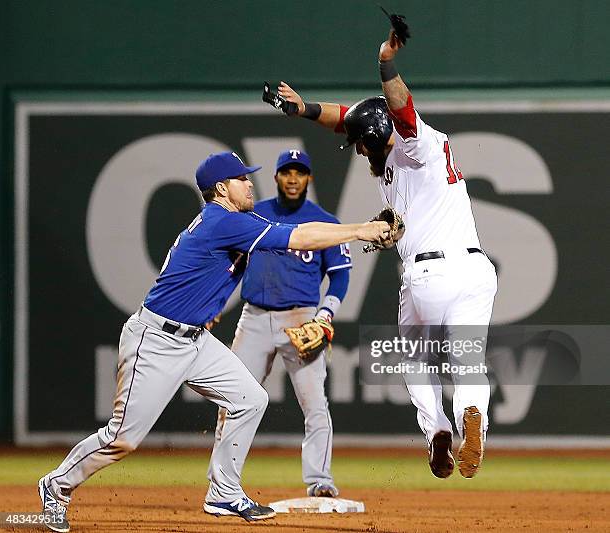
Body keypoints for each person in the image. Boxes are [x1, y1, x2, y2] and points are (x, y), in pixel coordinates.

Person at [37, 151, 391, 532]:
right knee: (123, 438)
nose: (250, 182)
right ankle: (56, 486)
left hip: (195, 340)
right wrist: (362, 230)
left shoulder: (239, 219)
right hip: (156, 340)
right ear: (222, 189)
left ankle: (223, 491)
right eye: (242, 179)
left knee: (250, 399)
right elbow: (299, 236)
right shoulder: (223, 221)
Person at [274, 25, 497, 479]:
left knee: (413, 355)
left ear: (372, 139)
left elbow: (401, 108)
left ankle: (435, 428)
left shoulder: (417, 146)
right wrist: (305, 110)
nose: (355, 148)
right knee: (468, 357)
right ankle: (470, 417)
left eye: (358, 143)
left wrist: (385, 64)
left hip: (429, 275)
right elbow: (352, 117)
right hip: (476, 270)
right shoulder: (398, 152)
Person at [214, 149, 350, 498]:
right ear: (275, 177)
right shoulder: (254, 215)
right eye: (286, 172)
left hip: (301, 317)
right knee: (233, 400)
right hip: (254, 317)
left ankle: (320, 480)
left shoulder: (325, 222)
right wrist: (215, 304)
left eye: (299, 173)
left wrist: (325, 315)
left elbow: (339, 277)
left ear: (308, 178)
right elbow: (232, 266)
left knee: (314, 403)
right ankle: (223, 484)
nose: (292, 179)